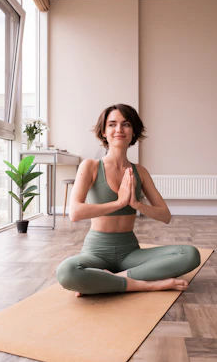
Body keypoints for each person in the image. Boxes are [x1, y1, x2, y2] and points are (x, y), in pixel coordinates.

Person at [56, 104, 200, 297]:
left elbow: (165, 216)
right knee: (66, 272)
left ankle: (109, 280)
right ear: (104, 132)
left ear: (133, 132)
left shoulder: (140, 172)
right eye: (112, 124)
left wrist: (136, 205)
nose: (119, 129)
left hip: (130, 253)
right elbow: (75, 213)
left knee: (190, 254)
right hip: (96, 252)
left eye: (126, 124)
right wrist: (119, 203)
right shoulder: (90, 166)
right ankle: (145, 285)